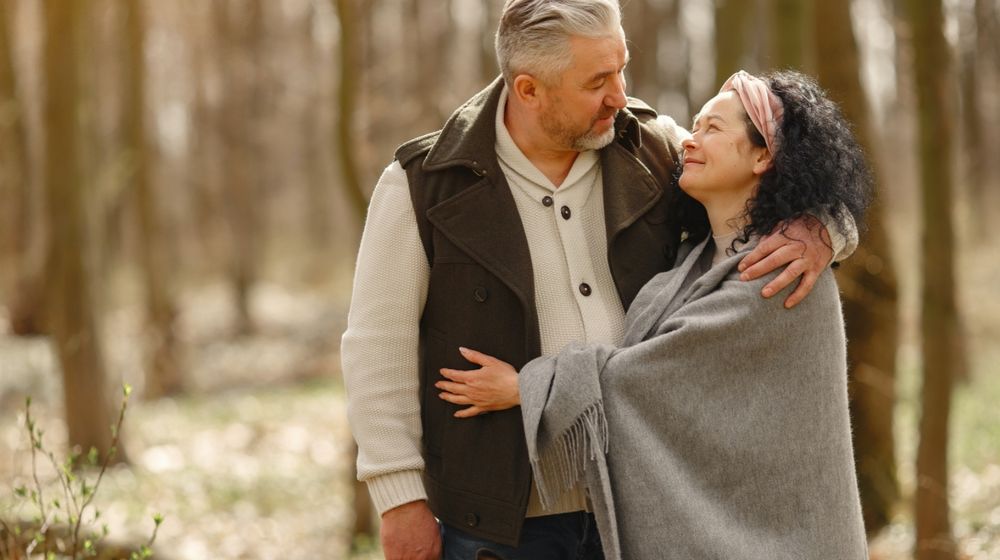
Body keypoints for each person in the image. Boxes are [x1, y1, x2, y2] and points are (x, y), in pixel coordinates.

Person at [340, 1, 856, 557]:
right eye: (597, 81)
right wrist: (399, 499)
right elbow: (378, 348)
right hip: (499, 522)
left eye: (621, 68)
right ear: (529, 89)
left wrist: (825, 229)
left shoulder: (653, 147)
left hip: (641, 508)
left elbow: (774, 176)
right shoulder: (423, 184)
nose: (619, 94)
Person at [436, 70, 871, 559]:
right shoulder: (693, 262)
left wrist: (525, 387)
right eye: (694, 125)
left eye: (713, 128)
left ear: (763, 156)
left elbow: (652, 376)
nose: (690, 141)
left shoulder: (783, 271)